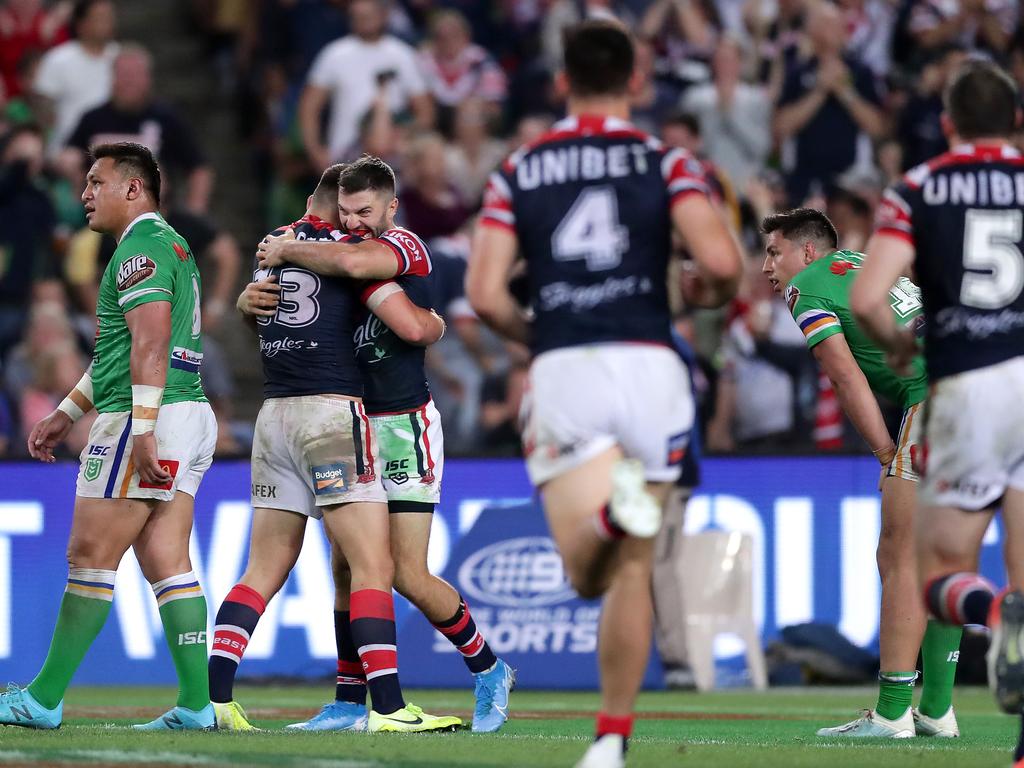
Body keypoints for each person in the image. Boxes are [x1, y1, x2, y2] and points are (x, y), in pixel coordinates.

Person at [467, 21, 742, 768]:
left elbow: (485, 293)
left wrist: (535, 336)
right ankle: (610, 743)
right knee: (635, 568)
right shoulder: (667, 160)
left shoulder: (521, 167)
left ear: (561, 84)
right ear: (638, 82)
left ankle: (612, 525)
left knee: (587, 575)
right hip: (655, 366)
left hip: (568, 368)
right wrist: (691, 295)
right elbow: (721, 261)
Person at [239, 156, 514, 734]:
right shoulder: (329, 252)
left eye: (366, 211)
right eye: (345, 211)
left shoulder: (401, 244)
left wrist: (287, 249)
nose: (355, 222)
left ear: (390, 207)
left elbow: (367, 274)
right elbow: (292, 307)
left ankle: (488, 667)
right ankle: (347, 699)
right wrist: (250, 301)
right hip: (349, 421)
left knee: (404, 572)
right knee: (348, 570)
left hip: (402, 424)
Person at [0, 141, 217, 730]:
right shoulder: (171, 245)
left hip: (145, 416)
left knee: (90, 555)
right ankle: (197, 706)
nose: (85, 194)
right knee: (168, 560)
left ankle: (42, 698)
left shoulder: (138, 251)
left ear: (133, 188)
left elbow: (149, 345)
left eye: (96, 182)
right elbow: (121, 353)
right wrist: (68, 411)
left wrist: (142, 428)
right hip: (189, 413)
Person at [850, 59, 1024, 766]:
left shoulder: (919, 187)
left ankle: (993, 617)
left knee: (933, 568)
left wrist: (896, 348)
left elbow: (868, 299)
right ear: (1015, 121)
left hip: (965, 389)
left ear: (948, 124)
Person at [761, 207, 963, 738]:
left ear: (807, 252)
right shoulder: (861, 261)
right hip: (983, 380)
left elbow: (845, 377)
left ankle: (894, 711)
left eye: (773, 251)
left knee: (898, 553)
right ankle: (938, 709)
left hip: (939, 396)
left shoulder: (806, 287)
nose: (766, 267)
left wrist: (883, 452)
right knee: (940, 556)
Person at [64, 45, 214, 214]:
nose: (129, 81)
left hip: (155, 217)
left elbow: (199, 169)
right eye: (123, 74)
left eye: (135, 75)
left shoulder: (166, 118)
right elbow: (70, 156)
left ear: (148, 79)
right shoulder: (92, 119)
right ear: (112, 78)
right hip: (99, 214)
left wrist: (195, 209)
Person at [298, 0, 433, 168]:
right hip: (344, 158)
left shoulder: (403, 55)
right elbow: (309, 106)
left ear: (384, 15)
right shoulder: (334, 54)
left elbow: (425, 111)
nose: (363, 20)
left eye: (368, 15)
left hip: (393, 162)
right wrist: (315, 151)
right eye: (358, 16)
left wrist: (402, 135)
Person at [32, 0, 118, 155]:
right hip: (67, 152)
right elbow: (42, 114)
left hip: (114, 148)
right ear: (80, 24)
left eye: (110, 17)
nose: (107, 23)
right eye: (99, 18)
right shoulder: (57, 60)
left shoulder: (120, 58)